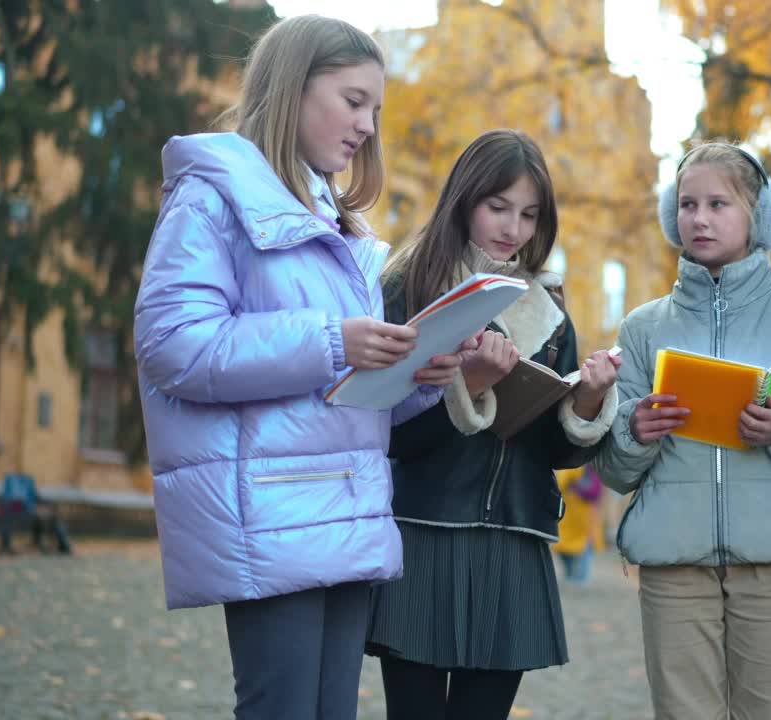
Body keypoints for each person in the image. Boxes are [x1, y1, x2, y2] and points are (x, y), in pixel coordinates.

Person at [133, 15, 464, 719]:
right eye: (353, 100)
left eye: (376, 108)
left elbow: (345, 394)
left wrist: (420, 376)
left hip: (345, 504)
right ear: (292, 88)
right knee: (280, 707)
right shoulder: (212, 197)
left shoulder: (343, 229)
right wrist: (334, 340)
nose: (368, 126)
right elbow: (174, 346)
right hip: (270, 507)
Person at [595, 141, 771, 720]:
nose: (699, 218)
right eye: (687, 204)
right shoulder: (643, 328)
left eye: (719, 203)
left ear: (760, 215)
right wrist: (634, 430)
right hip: (674, 570)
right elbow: (613, 469)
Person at [365, 128, 621, 720]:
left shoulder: (549, 312)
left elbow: (554, 449)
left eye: (529, 214)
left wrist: (589, 400)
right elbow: (389, 436)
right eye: (497, 207)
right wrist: (471, 385)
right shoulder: (408, 289)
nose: (513, 228)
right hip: (424, 531)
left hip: (514, 539)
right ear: (464, 200)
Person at [554, 465, 605, 584]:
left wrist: (575, 485)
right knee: (568, 557)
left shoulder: (591, 468)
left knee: (581, 562)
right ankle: (574, 579)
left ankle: (577, 580)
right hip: (569, 522)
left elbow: (594, 491)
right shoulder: (569, 468)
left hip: (585, 524)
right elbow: (560, 485)